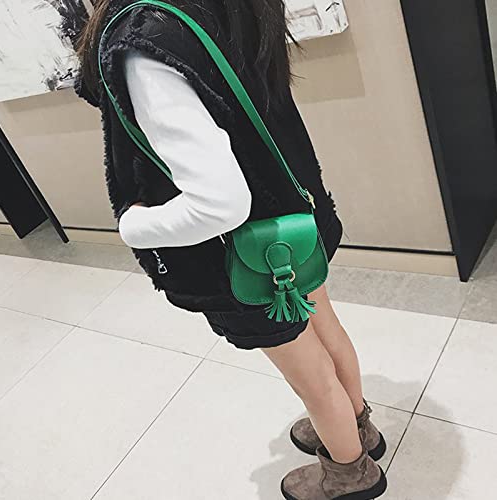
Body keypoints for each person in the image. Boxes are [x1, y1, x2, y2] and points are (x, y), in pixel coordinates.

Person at [74, 1, 387, 498]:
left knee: (309, 373)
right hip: (289, 213)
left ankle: (350, 471)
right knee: (323, 324)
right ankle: (357, 428)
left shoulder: (142, 37)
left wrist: (134, 226)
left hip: (240, 253)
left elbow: (220, 203)